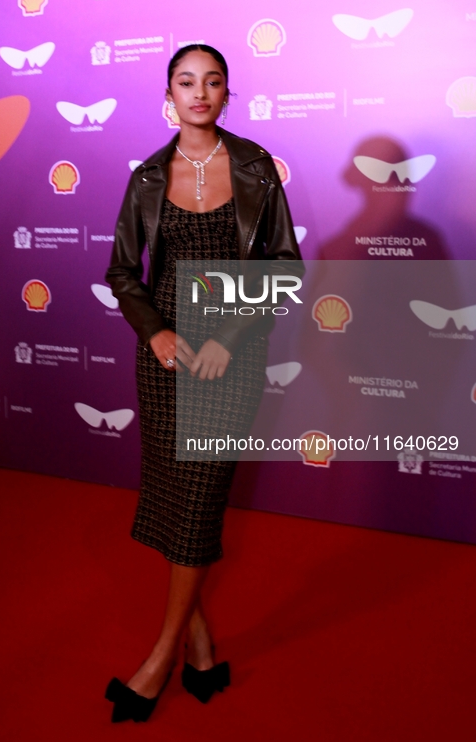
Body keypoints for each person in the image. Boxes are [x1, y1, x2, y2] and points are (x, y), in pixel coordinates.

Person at [104, 44, 302, 722]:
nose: (199, 93)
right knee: (171, 494)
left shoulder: (253, 168)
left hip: (231, 355)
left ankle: (159, 655)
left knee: (196, 498)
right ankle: (199, 646)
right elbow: (124, 272)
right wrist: (155, 331)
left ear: (226, 92)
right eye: (186, 82)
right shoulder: (147, 178)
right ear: (169, 92)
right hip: (164, 361)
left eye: (211, 81)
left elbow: (286, 266)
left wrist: (226, 337)